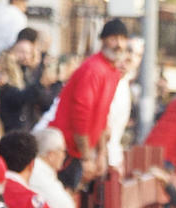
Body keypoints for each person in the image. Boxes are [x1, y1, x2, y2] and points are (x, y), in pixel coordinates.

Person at [46, 19, 128, 181]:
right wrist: (87, 157)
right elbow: (81, 114)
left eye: (122, 39)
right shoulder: (93, 69)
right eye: (113, 39)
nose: (118, 44)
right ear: (103, 41)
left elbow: (103, 115)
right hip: (67, 149)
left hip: (80, 150)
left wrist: (101, 154)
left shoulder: (111, 71)